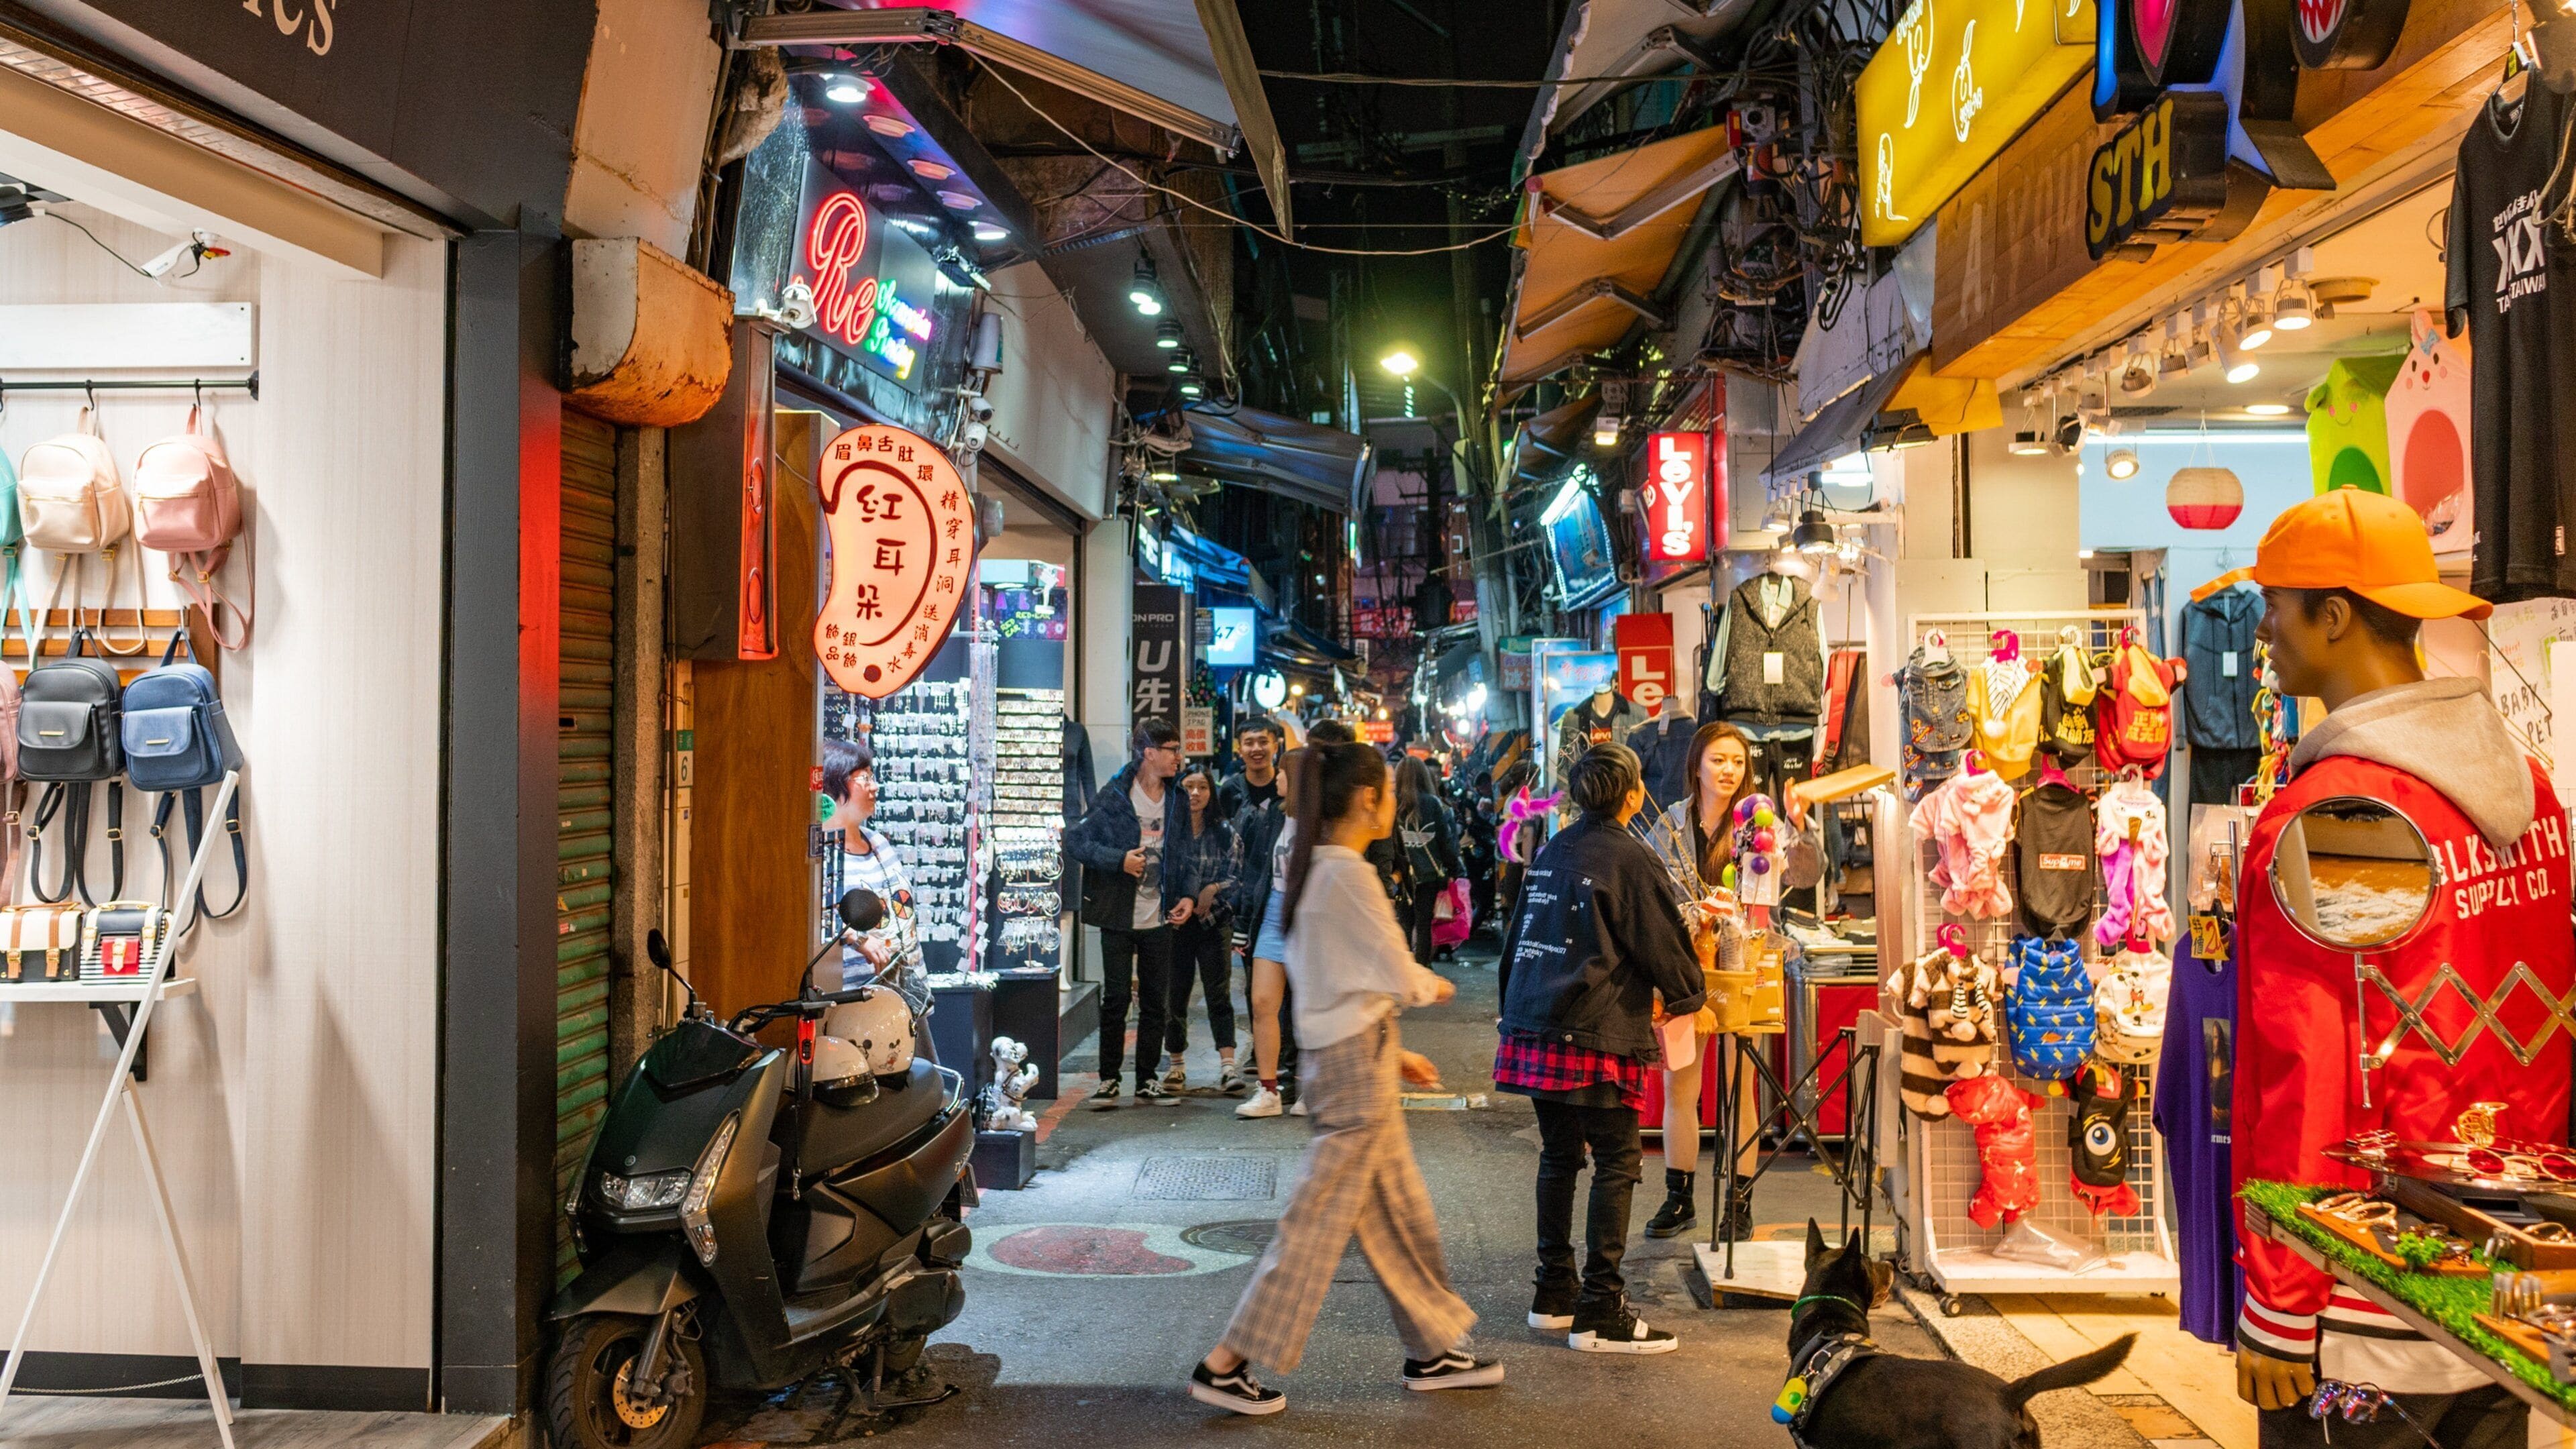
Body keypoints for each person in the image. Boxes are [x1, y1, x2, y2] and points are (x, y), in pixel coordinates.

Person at [2223, 490, 2573, 1448]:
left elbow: (2311, 1063)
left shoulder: (2340, 815)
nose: (2263, 631)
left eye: (2276, 604)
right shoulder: (2526, 788)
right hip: (2505, 1274)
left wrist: (2282, 1295)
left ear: (2334, 616)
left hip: (2366, 1284)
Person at [1188, 741, 1499, 1415]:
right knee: (1317, 1225)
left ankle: (1433, 1348)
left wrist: (1394, 1050)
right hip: (1352, 1069)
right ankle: (1227, 1360)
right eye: (1386, 788)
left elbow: (1340, 978)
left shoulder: (1317, 868)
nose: (1392, 799)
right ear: (1367, 799)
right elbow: (1394, 968)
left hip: (1349, 1058)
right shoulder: (1347, 876)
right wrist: (1432, 987)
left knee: (1399, 1215)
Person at [1495, 743, 1707, 1354]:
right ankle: (1599, 1310)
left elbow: (1518, 935)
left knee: (1560, 1156)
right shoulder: (1631, 857)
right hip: (1594, 1027)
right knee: (1618, 1160)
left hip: (1532, 1021)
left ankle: (1553, 1294)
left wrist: (1513, 1011)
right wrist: (1689, 993)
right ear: (1633, 795)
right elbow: (1661, 941)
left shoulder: (1554, 848)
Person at [1638, 722, 1770, 1242]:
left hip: (1741, 968)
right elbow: (1650, 892)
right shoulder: (1670, 823)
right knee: (1681, 1086)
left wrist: (1796, 834)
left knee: (1741, 1088)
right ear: (1696, 765)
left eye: (1737, 761)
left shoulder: (1758, 821)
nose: (1728, 770)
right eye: (1718, 760)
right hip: (1682, 967)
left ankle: (1740, 1202)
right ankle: (1680, 1198)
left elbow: (1786, 884)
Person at [1230, 718, 1357, 1120]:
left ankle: (1311, 1088)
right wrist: (1242, 923)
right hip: (1274, 911)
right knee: (1263, 1001)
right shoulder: (1273, 816)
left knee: (1309, 1005)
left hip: (1312, 915)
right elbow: (1255, 872)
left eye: (1283, 773)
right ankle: (1268, 1090)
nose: (1277, 780)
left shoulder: (1326, 823)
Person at [1066, 718, 1189, 1107]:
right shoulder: (1116, 794)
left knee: (1155, 1002)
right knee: (1116, 999)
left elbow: (1184, 852)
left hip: (1160, 916)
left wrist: (1187, 895)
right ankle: (1109, 1079)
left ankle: (1147, 1078)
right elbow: (1076, 841)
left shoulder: (1178, 797)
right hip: (1118, 915)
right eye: (1172, 750)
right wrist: (1119, 860)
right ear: (1150, 753)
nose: (1179, 757)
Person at [1159, 765, 1242, 1094]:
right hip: (1176, 925)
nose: (1195, 794)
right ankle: (1176, 1066)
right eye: (1188, 787)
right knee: (1175, 996)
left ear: (1212, 792)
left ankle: (1228, 1067)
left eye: (1202, 787)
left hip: (1214, 923)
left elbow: (1237, 877)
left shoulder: (1224, 831)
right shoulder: (1169, 831)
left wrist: (1213, 889)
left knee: (1218, 995)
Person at [820, 737, 922, 988]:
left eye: (872, 776)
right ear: (835, 782)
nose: (874, 787)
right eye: (864, 778)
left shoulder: (878, 842)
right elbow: (813, 917)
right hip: (857, 994)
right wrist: (857, 938)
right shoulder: (821, 853)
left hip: (907, 988)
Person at [1392, 756, 1466, 966]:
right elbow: (1444, 841)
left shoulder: (1392, 803)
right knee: (1424, 924)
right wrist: (1453, 869)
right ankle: (1422, 967)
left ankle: (1403, 968)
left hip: (1402, 875)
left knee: (1405, 922)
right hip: (1428, 875)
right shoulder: (1432, 803)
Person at [1218, 715, 1283, 820]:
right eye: (1249, 743)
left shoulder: (1287, 786)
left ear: (1275, 747)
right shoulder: (1229, 790)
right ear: (1240, 750)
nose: (1256, 749)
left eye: (1263, 742)